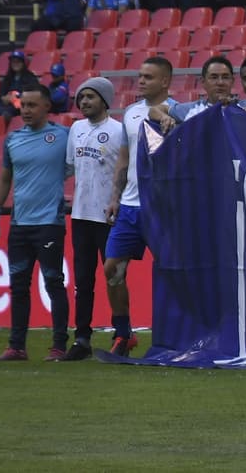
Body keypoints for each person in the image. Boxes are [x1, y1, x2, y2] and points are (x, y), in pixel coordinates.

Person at [0, 85, 72, 362]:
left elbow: (78, 167)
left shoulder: (63, 137)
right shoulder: (12, 140)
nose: (27, 111)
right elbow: (6, 178)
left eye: (33, 106)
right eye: (24, 106)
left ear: (47, 106)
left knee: (53, 283)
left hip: (49, 222)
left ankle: (59, 346)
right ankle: (16, 346)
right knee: (18, 286)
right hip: (20, 224)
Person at [104, 57, 176, 357]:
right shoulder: (132, 113)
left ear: (165, 82)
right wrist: (115, 197)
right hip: (130, 207)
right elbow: (124, 158)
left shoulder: (177, 112)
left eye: (148, 76)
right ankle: (123, 334)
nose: (141, 81)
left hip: (162, 208)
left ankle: (173, 335)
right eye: (140, 75)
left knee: (172, 273)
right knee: (112, 269)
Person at [61, 77, 122, 360]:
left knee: (114, 277)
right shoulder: (76, 129)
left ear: (105, 100)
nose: (84, 102)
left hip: (108, 216)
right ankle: (82, 338)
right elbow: (71, 167)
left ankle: (122, 333)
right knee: (82, 281)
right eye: (81, 97)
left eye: (91, 97)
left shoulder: (119, 131)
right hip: (81, 215)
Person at [156, 56, 235, 130]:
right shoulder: (191, 109)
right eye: (214, 77)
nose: (220, 82)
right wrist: (164, 117)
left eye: (225, 77)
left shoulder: (244, 107)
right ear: (203, 82)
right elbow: (155, 109)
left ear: (232, 81)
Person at [0, 50, 40, 118]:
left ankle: (5, 114)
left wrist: (15, 98)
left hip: (22, 105)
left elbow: (34, 94)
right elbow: (2, 94)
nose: (15, 64)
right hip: (7, 104)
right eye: (13, 62)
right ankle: (3, 113)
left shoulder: (30, 77)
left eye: (18, 62)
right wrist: (4, 98)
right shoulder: (7, 77)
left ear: (23, 63)